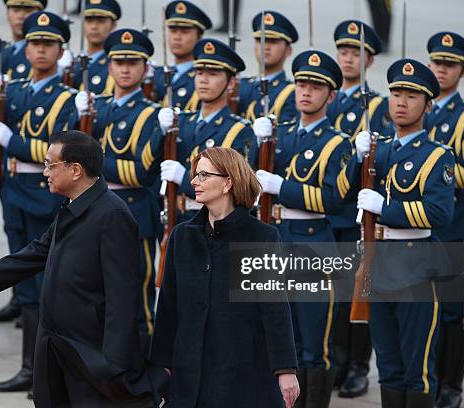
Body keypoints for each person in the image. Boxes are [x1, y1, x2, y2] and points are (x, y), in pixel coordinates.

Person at [0, 130, 155, 408]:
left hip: (88, 353)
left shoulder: (112, 215)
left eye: (50, 165)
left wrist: (111, 368)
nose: (44, 173)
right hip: (56, 343)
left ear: (75, 170)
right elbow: (37, 253)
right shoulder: (75, 205)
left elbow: (122, 299)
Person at [339, 58, 455, 407]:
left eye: (412, 95)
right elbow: (341, 195)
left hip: (416, 266)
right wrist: (356, 160)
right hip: (378, 265)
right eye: (396, 93)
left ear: (428, 104)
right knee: (387, 367)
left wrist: (384, 209)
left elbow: (439, 213)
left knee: (416, 369)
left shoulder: (437, 156)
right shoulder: (378, 148)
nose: (401, 102)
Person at [0, 10, 75, 397]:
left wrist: (12, 141)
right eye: (34, 43)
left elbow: (59, 151)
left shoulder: (66, 97)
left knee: (48, 287)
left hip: (44, 194)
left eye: (48, 44)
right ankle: (30, 368)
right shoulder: (12, 90)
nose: (39, 50)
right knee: (27, 289)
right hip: (14, 192)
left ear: (60, 50)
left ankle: (49, 371)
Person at [150, 147, 299, 408]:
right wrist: (161, 367)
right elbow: (168, 309)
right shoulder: (182, 236)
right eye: (196, 175)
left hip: (240, 372)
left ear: (228, 182)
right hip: (188, 371)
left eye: (204, 175)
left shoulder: (260, 237)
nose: (194, 181)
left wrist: (285, 369)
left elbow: (274, 308)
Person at [253, 50, 352, 407]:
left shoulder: (337, 142)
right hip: (275, 238)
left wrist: (284, 188)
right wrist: (256, 143)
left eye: (315, 86)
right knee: (279, 340)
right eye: (301, 84)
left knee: (312, 345)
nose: (305, 92)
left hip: (312, 242)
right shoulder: (278, 135)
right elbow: (252, 180)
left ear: (331, 95)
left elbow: (334, 199)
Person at [72, 27, 161, 346]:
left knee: (136, 305)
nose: (125, 69)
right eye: (118, 62)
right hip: (91, 214)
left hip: (132, 215)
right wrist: (76, 118)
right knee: (94, 299)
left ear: (144, 68)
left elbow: (141, 173)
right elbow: (68, 161)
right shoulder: (95, 109)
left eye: (132, 63)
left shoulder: (151, 114)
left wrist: (90, 160)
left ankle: (141, 386)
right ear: (108, 66)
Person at [327, 19, 388, 398]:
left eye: (357, 53)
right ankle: (333, 360)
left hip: (356, 211)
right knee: (328, 293)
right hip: (325, 209)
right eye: (344, 51)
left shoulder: (377, 105)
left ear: (369, 61)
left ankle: (357, 366)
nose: (348, 59)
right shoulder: (324, 93)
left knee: (358, 291)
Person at [425, 31, 464, 408]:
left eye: (450, 65)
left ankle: (452, 384)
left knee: (455, 310)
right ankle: (426, 379)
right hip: (412, 226)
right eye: (437, 63)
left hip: (452, 228)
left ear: (462, 71)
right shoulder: (411, 104)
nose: (442, 70)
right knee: (418, 310)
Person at [157, 38, 256, 224]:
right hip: (177, 220)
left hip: (214, 222)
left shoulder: (238, 130)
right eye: (199, 72)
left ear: (231, 82)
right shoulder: (182, 122)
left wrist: (185, 179)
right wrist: (159, 131)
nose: (203, 79)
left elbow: (238, 187)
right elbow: (150, 170)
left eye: (213, 73)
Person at [237, 10, 298, 124]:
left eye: (273, 42)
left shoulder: (291, 93)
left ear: (288, 51)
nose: (266, 47)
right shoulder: (241, 85)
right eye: (260, 41)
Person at [152, 1, 212, 111]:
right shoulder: (157, 74)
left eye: (185, 32)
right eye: (173, 31)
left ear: (199, 37)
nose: (177, 37)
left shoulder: (203, 79)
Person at [0, 0, 47, 80]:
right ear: (7, 14)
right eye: (16, 10)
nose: (21, 16)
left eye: (28, 11)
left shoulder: (43, 53)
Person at [72, 0, 121, 95]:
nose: (94, 27)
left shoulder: (116, 63)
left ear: (113, 25)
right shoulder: (74, 63)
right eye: (89, 21)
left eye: (101, 21)